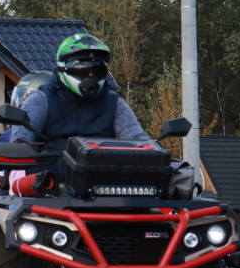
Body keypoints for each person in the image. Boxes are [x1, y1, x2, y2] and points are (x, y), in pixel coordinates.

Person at [8, 33, 150, 195]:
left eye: (98, 70)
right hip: (51, 193)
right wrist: (20, 146)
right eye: (84, 70)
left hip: (106, 192)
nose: (91, 75)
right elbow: (22, 135)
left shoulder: (114, 103)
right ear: (63, 67)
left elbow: (138, 138)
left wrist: (154, 153)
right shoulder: (42, 99)